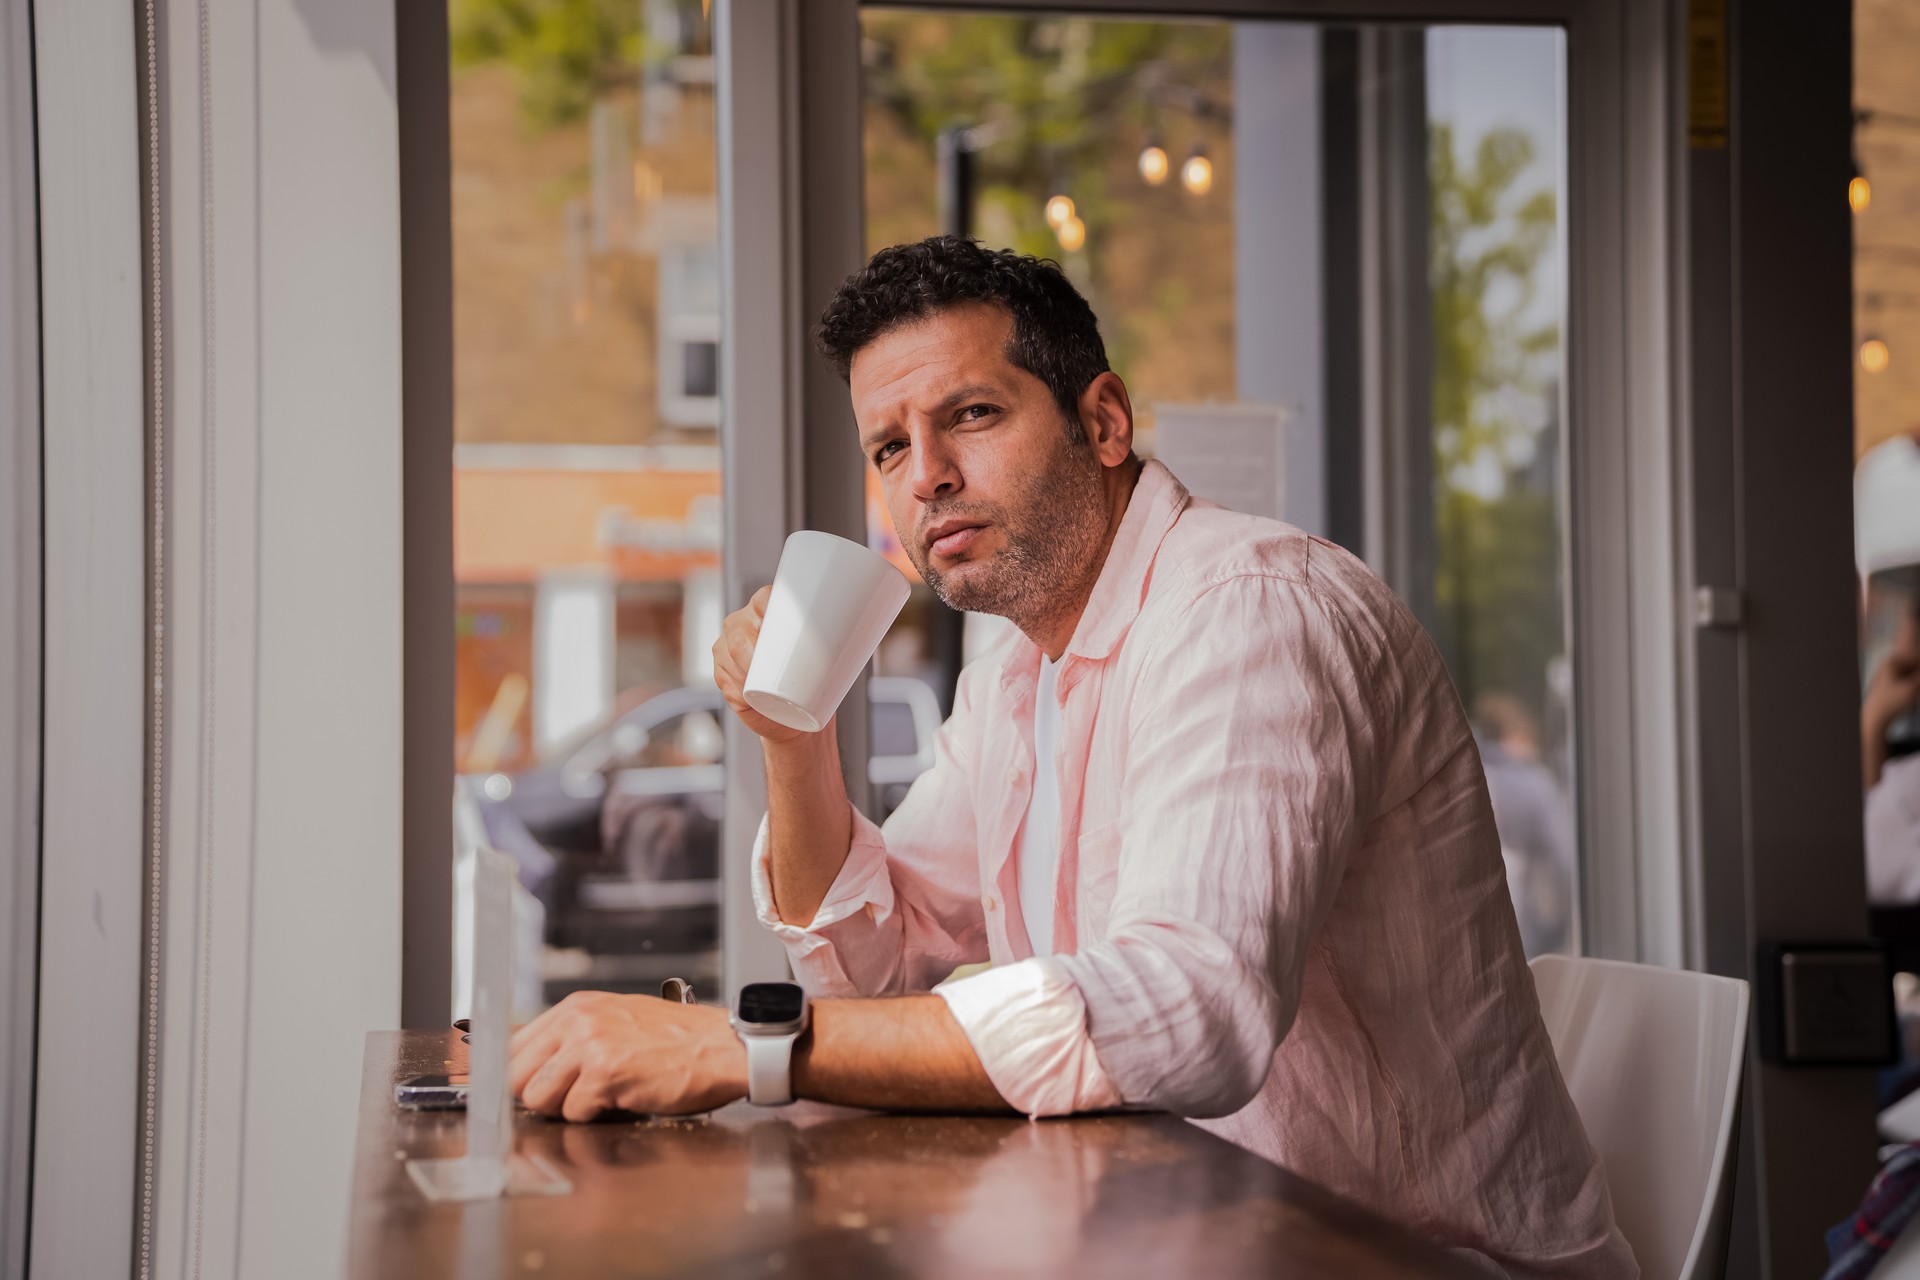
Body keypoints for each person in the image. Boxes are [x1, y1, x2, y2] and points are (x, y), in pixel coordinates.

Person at [507, 237, 1635, 1277]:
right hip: (1181, 1229)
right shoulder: (1014, 669)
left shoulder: (1250, 610)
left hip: (1402, 1256)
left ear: (1103, 422)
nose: (925, 476)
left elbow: (1194, 1010)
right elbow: (876, 964)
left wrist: (739, 1048)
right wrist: (795, 743)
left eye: (973, 414)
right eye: (890, 446)